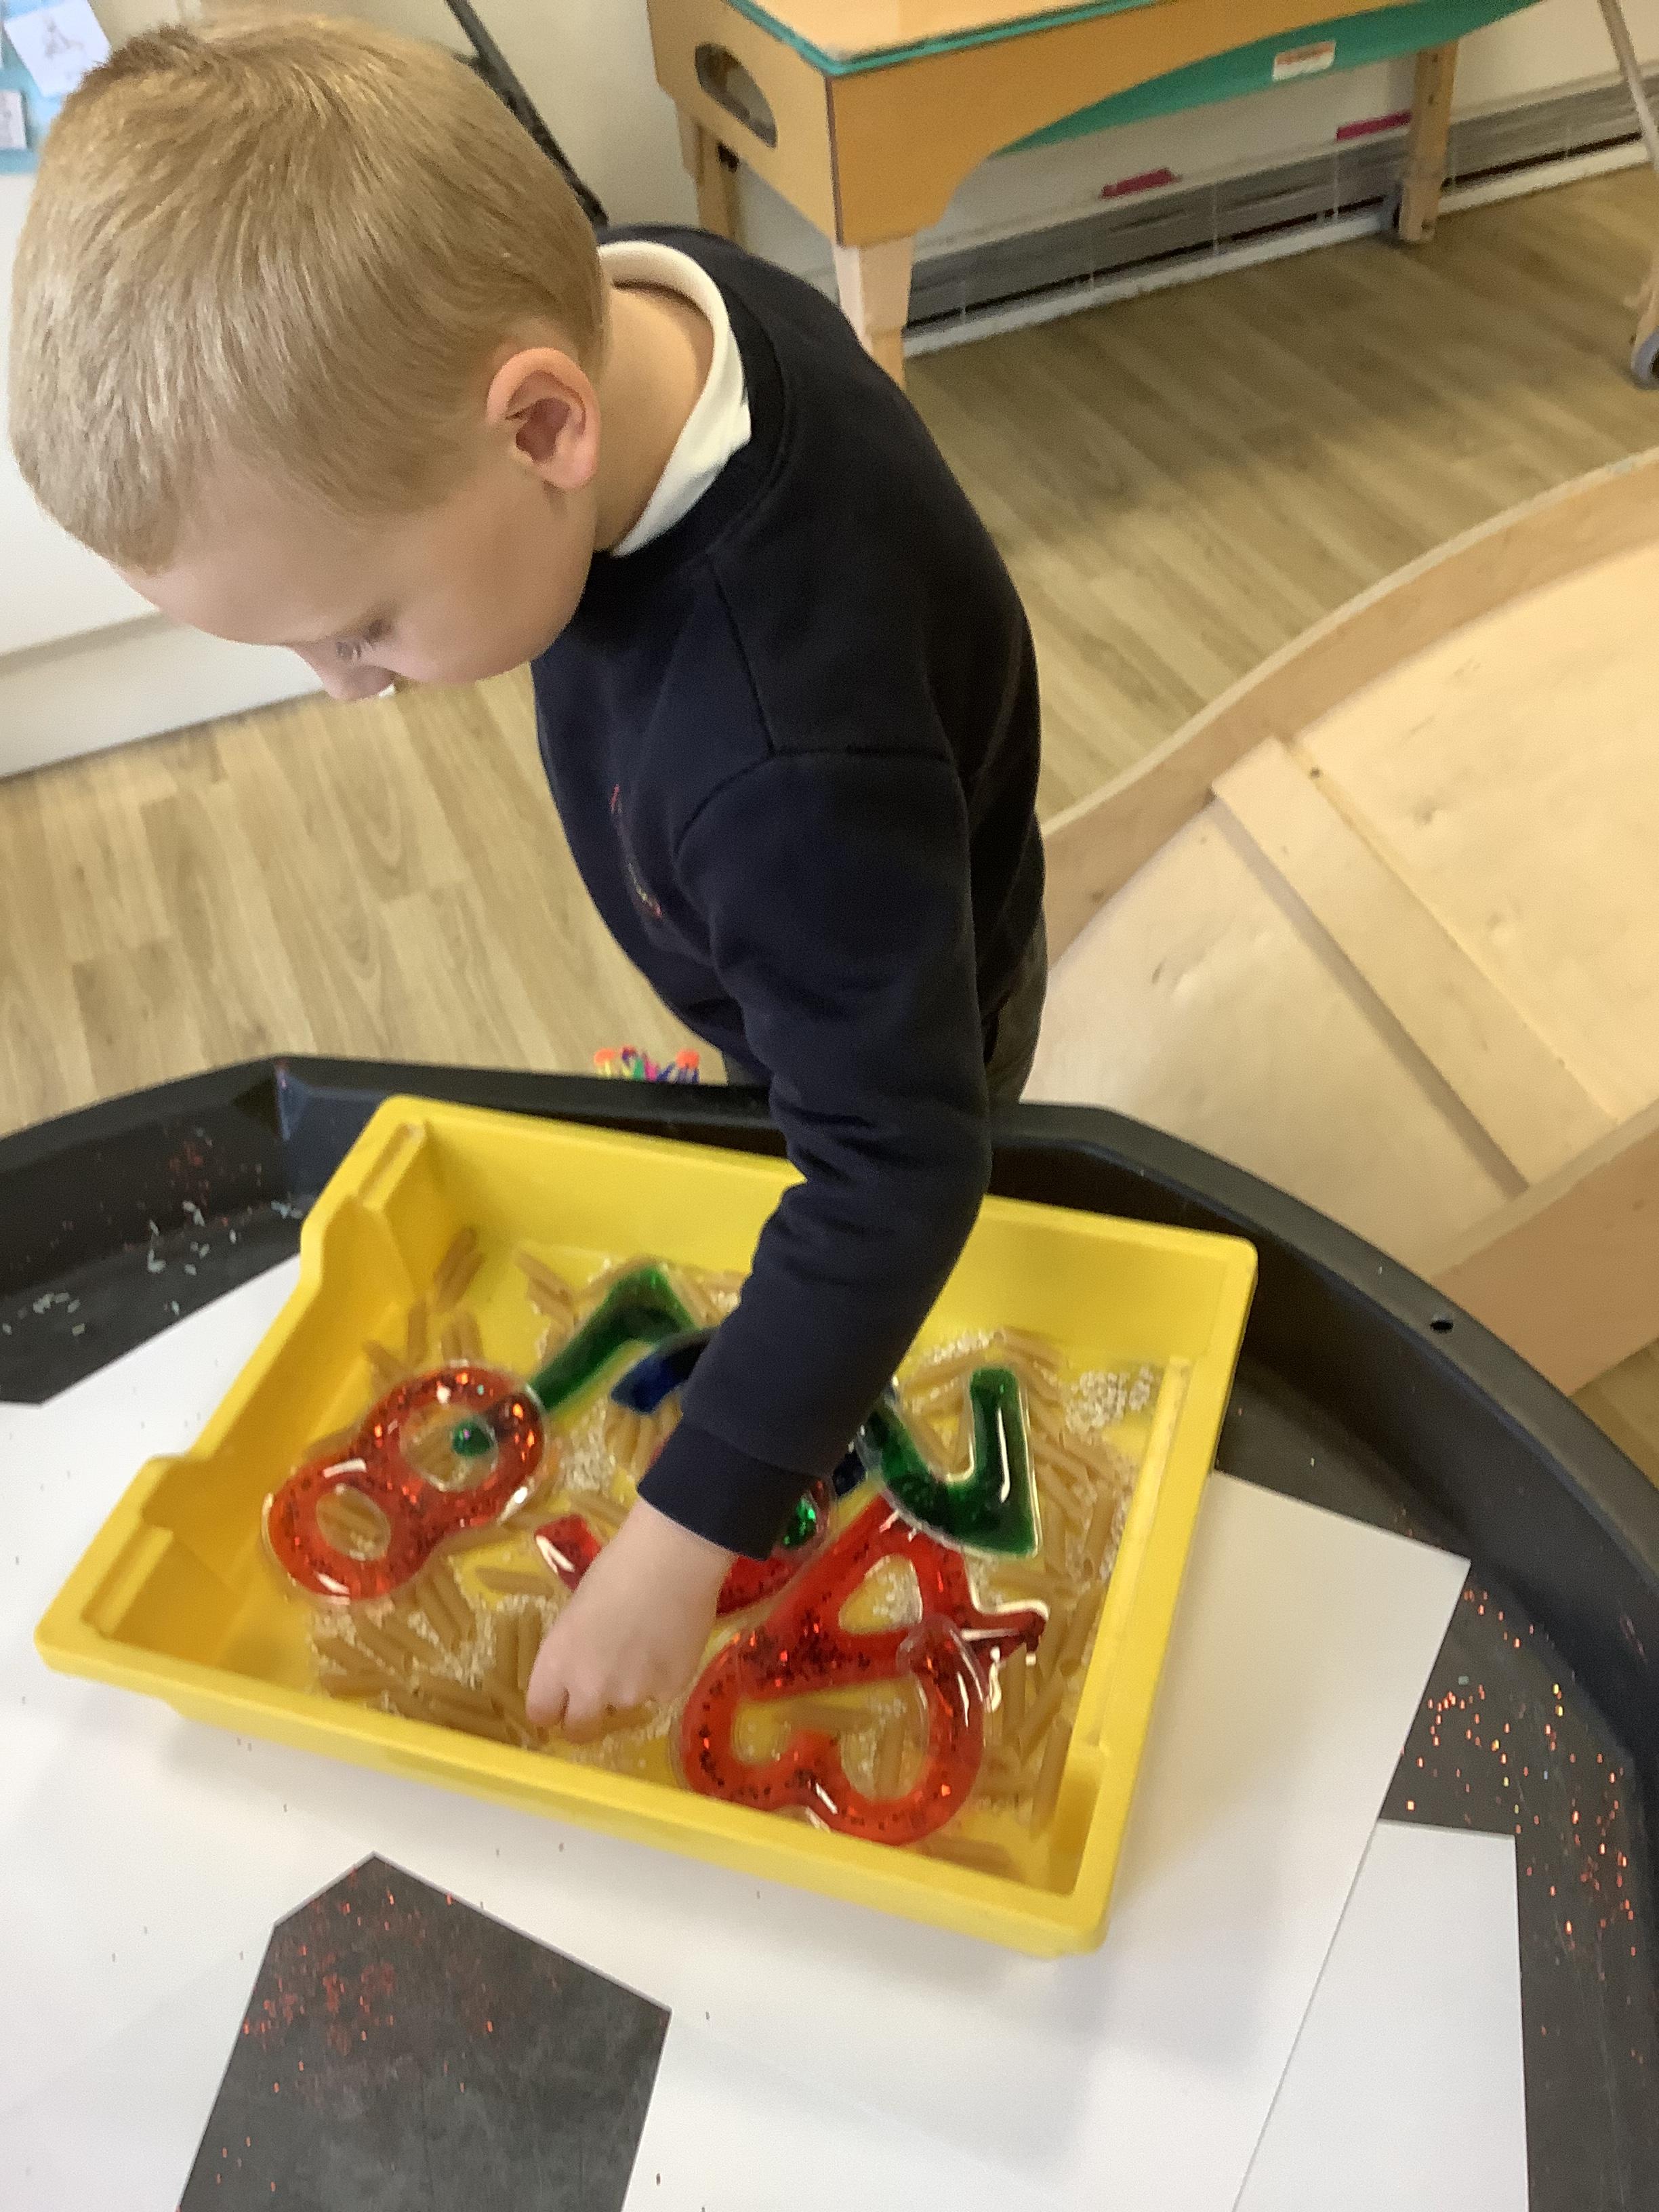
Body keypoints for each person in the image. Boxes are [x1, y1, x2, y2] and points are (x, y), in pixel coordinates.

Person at [7, 18, 1045, 1739]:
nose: (346, 691)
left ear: (546, 425)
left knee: (879, 1153)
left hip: (886, 980)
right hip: (790, 902)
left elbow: (900, 1169)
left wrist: (681, 1540)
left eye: (361, 628)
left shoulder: (787, 762)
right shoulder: (642, 295)